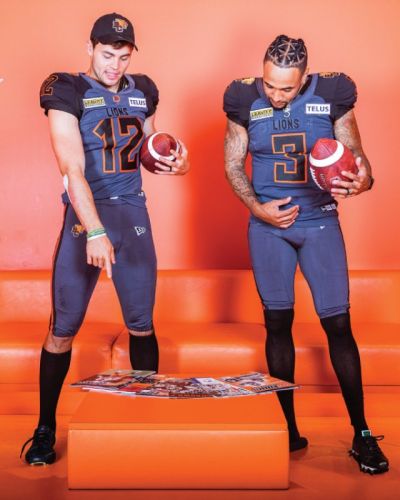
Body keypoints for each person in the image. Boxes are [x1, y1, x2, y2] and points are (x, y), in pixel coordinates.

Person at [21, 12, 189, 465]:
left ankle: (147, 419)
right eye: (107, 54)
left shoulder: (143, 90)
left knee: (141, 322)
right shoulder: (67, 89)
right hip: (86, 219)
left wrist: (178, 161)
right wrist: (94, 230)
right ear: (90, 49)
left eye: (123, 56)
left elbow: (153, 145)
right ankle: (44, 428)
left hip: (132, 215)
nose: (115, 65)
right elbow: (71, 168)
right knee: (63, 327)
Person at [223, 34, 388, 474]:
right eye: (269, 85)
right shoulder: (242, 98)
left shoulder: (332, 94)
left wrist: (362, 181)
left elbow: (359, 160)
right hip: (268, 227)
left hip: (319, 223)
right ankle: (288, 429)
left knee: (338, 324)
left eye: (286, 88)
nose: (276, 96)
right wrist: (257, 207)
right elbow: (233, 163)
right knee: (277, 323)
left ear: (305, 78)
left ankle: (362, 433)